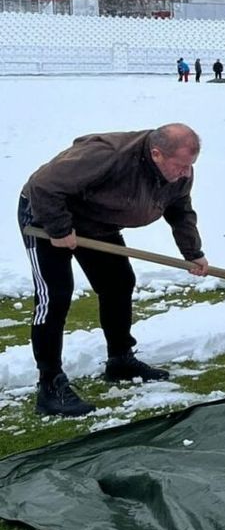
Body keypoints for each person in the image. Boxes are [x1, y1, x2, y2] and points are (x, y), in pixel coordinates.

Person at [18, 124, 209, 417]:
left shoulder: (179, 173)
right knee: (54, 296)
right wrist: (59, 228)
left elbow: (179, 210)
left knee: (118, 283)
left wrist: (193, 253)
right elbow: (44, 186)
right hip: (45, 214)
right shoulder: (108, 155)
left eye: (190, 166)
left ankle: (120, 360)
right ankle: (50, 385)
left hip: (95, 221)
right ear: (156, 154)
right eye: (181, 166)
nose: (186, 173)